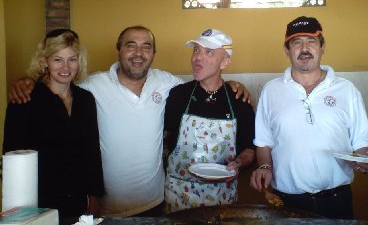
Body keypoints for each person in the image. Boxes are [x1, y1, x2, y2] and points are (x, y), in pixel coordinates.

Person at [8, 25, 250, 217]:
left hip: (157, 203)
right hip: (105, 207)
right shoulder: (91, 87)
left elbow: (206, 82)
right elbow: (57, 84)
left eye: (146, 47)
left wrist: (230, 86)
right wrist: (26, 81)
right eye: (130, 45)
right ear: (119, 51)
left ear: (154, 54)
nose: (138, 53)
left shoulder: (168, 84)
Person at [249, 16, 368, 219]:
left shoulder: (347, 90)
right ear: (287, 50)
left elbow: (361, 143)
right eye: (296, 42)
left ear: (322, 46)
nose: (304, 48)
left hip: (337, 200)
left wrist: (365, 157)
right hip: (286, 201)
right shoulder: (271, 90)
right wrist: (264, 166)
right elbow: (264, 142)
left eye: (311, 41)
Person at [3, 29, 104, 218]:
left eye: (72, 59)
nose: (66, 67)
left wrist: (95, 197)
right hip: (37, 204)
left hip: (77, 201)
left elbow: (92, 150)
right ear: (44, 62)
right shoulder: (25, 98)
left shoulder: (85, 100)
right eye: (58, 59)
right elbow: (12, 156)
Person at [164, 29, 255, 213]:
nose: (198, 57)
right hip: (178, 196)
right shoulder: (178, 95)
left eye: (209, 52)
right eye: (196, 50)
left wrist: (237, 164)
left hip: (222, 196)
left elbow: (250, 149)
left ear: (225, 62)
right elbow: (164, 140)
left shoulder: (238, 100)